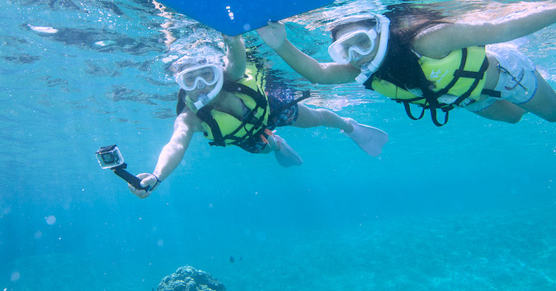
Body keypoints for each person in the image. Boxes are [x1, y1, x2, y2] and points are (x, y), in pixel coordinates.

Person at [257, 0, 556, 157]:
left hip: (502, 74)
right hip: (466, 95)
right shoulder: (362, 72)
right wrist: (278, 43)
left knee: (554, 113)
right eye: (346, 51)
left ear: (380, 32)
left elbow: (508, 27)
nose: (357, 56)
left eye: (361, 42)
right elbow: (318, 75)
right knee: (513, 117)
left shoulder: (429, 42)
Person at [128, 34, 389, 198]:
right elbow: (175, 144)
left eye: (207, 74)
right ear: (181, 83)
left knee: (315, 120)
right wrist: (157, 176)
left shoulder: (234, 73)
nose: (202, 86)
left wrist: (230, 34)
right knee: (264, 149)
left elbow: (236, 51)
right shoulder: (190, 117)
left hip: (269, 107)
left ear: (218, 71)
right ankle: (277, 144)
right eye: (190, 80)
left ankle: (349, 127)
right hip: (245, 135)